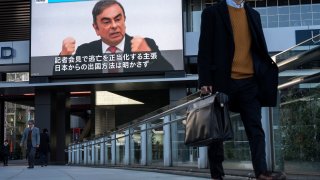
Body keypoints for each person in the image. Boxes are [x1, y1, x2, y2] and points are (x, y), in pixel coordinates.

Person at [197, 0, 285, 180]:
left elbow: (258, 48)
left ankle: (261, 172)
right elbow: (204, 48)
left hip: (249, 82)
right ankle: (217, 175)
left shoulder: (254, 15)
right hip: (222, 82)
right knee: (217, 132)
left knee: (256, 128)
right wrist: (204, 80)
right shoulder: (212, 13)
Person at [59, 0, 173, 72]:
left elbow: (171, 73)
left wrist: (148, 56)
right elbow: (59, 80)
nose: (114, 26)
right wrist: (63, 57)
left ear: (124, 20)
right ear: (96, 28)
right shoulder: (85, 51)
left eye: (118, 19)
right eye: (106, 22)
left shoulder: (147, 44)